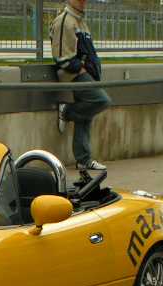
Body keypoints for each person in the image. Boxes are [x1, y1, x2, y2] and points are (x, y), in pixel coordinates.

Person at [50, 0, 111, 172]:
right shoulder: (65, 20)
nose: (84, 1)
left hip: (84, 73)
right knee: (101, 101)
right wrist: (80, 68)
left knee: (86, 115)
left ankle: (83, 159)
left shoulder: (80, 21)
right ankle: (67, 111)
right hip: (73, 74)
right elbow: (61, 57)